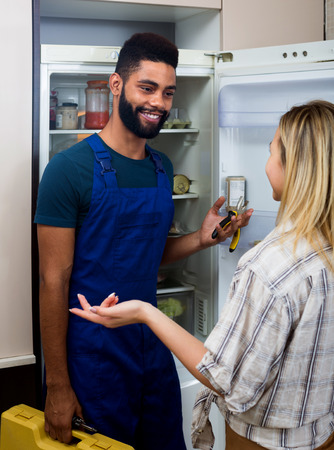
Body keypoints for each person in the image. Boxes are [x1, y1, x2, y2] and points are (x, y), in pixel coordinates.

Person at [71, 100, 334, 450]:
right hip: (321, 435)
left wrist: (144, 312)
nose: (267, 162)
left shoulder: (267, 266)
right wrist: (198, 239)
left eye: (272, 151)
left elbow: (222, 376)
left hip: (262, 441)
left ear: (295, 167)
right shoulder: (323, 251)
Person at [35, 32, 253, 449]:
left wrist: (202, 239)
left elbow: (145, 256)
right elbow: (52, 282)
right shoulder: (68, 171)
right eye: (147, 88)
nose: (159, 103)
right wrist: (58, 384)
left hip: (153, 346)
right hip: (94, 355)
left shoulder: (160, 166)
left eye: (168, 92)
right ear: (117, 85)